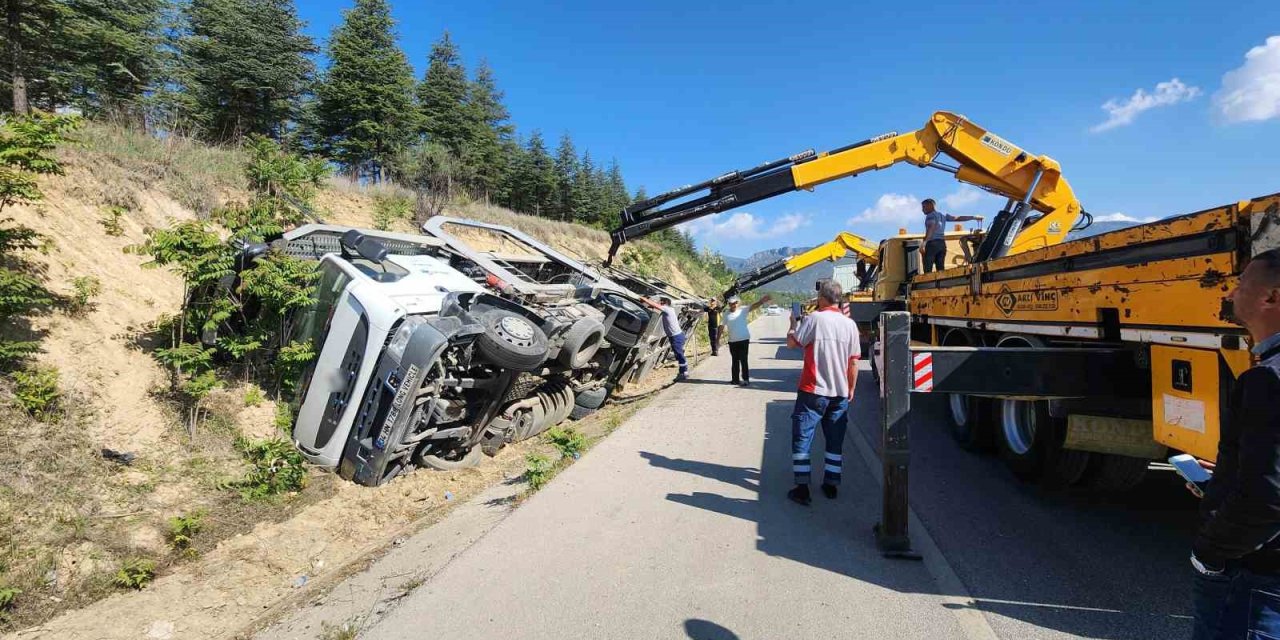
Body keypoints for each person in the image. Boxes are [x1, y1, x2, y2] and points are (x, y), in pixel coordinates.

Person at [1189, 248, 1280, 639]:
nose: (1230, 293)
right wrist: (1230, 473)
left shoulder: (1267, 379)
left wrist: (1210, 554)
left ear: (1271, 297)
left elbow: (1268, 497)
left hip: (1257, 576)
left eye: (1241, 283)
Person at [785, 280, 860, 505]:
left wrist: (792, 324)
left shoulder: (814, 319)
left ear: (822, 298)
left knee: (802, 438)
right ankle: (831, 485)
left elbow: (792, 343)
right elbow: (853, 362)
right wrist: (851, 388)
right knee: (835, 440)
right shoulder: (850, 325)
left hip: (813, 391)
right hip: (839, 393)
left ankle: (802, 488)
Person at [921, 198, 983, 273]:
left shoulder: (930, 215)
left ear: (930, 205)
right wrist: (973, 217)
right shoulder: (942, 215)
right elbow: (956, 218)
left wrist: (924, 243)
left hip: (932, 244)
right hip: (942, 244)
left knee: (927, 268)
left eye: (924, 207)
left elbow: (931, 227)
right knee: (940, 269)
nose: (922, 210)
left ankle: (929, 280)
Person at [722, 294, 771, 387]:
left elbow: (753, 306)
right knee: (735, 360)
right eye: (731, 303)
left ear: (737, 303)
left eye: (735, 303)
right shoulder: (726, 314)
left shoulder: (742, 310)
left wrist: (761, 301)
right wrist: (717, 339)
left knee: (743, 360)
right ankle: (735, 380)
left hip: (743, 339)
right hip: (732, 341)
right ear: (729, 304)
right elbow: (721, 325)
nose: (733, 305)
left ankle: (745, 379)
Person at [643, 296, 689, 382]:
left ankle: (684, 373)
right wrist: (647, 305)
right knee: (679, 354)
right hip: (676, 335)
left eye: (660, 302)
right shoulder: (670, 309)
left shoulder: (666, 309)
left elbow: (655, 305)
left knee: (679, 355)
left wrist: (644, 299)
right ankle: (683, 372)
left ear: (663, 303)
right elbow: (654, 306)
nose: (658, 303)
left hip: (676, 336)